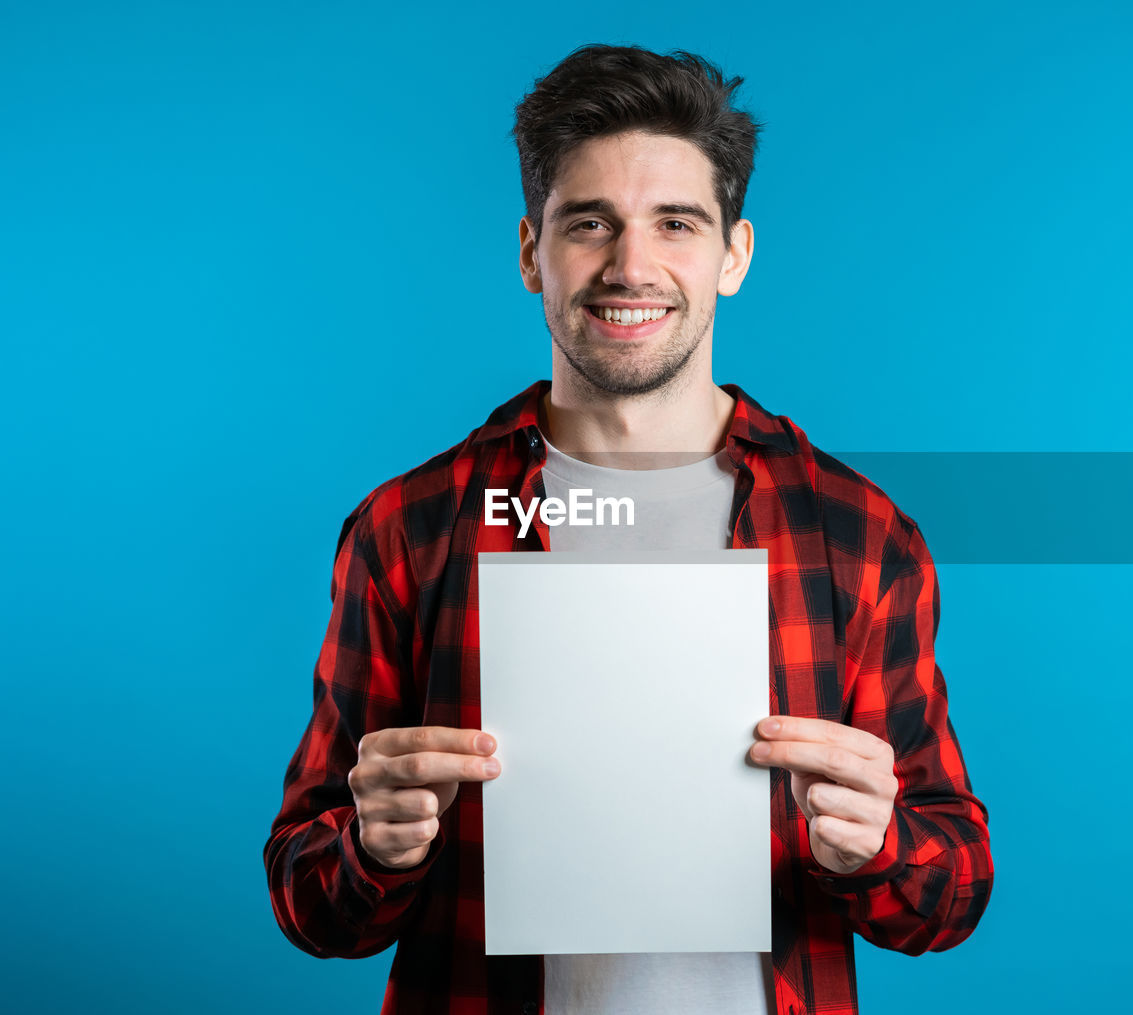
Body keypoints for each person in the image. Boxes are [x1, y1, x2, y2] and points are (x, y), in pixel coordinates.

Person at [265, 44, 993, 1015]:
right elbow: (311, 902)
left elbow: (947, 895)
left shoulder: (854, 533)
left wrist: (880, 842)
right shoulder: (411, 527)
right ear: (531, 250)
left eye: (675, 223)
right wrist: (371, 844)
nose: (630, 265)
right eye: (588, 223)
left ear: (732, 254)